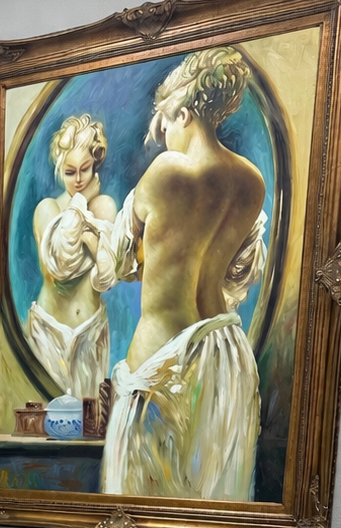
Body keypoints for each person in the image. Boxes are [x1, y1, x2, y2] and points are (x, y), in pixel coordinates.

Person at [102, 47, 268, 500]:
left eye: (167, 123)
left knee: (138, 507)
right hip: (224, 354)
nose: (164, 136)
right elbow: (236, 271)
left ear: (186, 113)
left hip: (162, 357)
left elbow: (116, 264)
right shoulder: (251, 182)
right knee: (210, 506)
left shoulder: (166, 172)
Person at [27, 115, 117, 401]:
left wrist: (88, 238)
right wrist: (81, 211)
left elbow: (106, 276)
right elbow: (61, 267)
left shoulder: (104, 207)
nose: (79, 180)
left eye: (85, 169)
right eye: (69, 172)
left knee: (87, 428)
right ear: (59, 170)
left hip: (90, 332)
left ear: (96, 165)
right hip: (47, 331)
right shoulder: (47, 209)